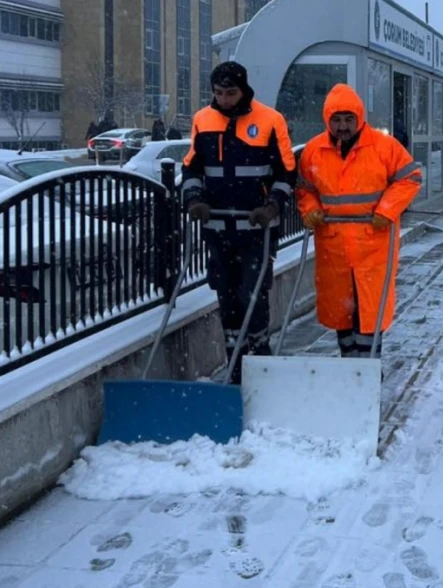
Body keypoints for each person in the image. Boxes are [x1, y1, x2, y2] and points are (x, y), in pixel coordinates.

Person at [180, 61, 297, 384]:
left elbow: (287, 172)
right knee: (226, 294)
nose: (225, 100)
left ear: (243, 90)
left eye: (231, 93)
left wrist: (272, 206)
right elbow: (191, 169)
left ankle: (259, 356)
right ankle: (235, 360)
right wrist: (194, 199)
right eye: (218, 93)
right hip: (218, 229)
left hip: (257, 229)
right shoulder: (203, 120)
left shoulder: (270, 120)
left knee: (253, 293)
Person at [296, 84, 422, 358]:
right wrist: (310, 208)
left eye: (349, 119)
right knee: (342, 310)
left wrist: (387, 211)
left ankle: (368, 367)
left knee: (370, 308)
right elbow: (304, 188)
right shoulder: (314, 151)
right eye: (337, 120)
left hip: (372, 242)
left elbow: (410, 178)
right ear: (327, 119)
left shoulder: (383, 146)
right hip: (334, 243)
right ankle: (349, 363)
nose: (343, 126)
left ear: (360, 118)